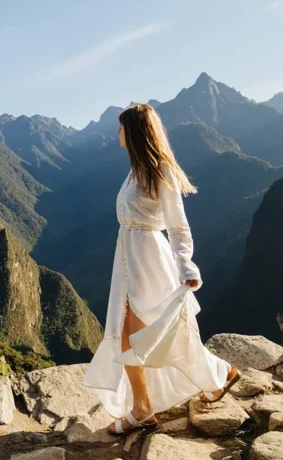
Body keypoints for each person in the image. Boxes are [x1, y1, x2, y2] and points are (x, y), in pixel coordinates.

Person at [83, 103, 239, 436]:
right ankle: (215, 376)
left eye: (121, 127)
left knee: (147, 336)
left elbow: (178, 226)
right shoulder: (135, 170)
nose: (117, 133)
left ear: (135, 132)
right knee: (141, 336)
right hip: (128, 261)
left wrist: (185, 263)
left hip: (150, 261)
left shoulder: (160, 171)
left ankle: (144, 409)